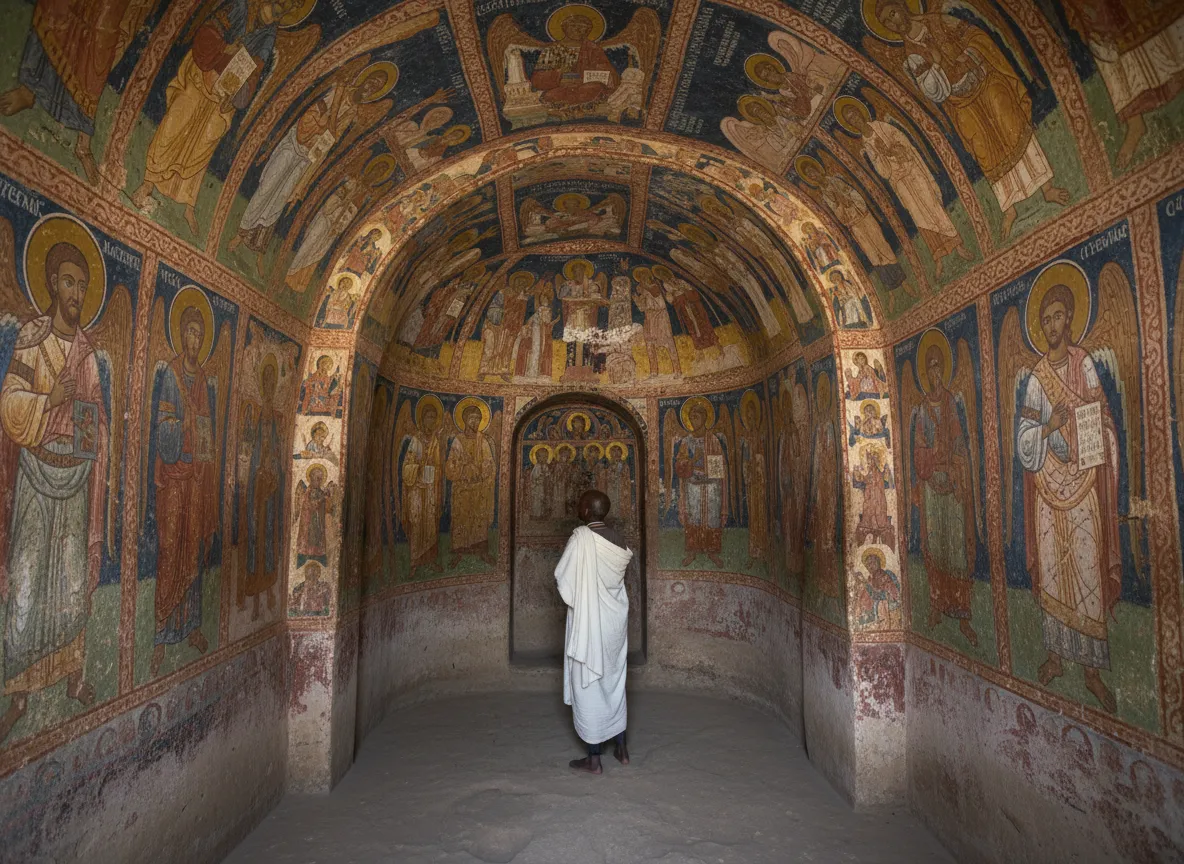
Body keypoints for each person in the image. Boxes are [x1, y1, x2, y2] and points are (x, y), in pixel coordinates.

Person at [555, 490, 634, 774]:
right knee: (614, 683)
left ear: (587, 510)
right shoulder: (620, 539)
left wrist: (580, 595)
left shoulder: (581, 538)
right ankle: (622, 749)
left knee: (589, 683)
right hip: (613, 625)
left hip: (590, 624)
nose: (577, 506)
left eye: (579, 502)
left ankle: (594, 759)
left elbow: (563, 579)